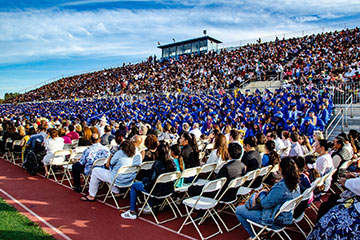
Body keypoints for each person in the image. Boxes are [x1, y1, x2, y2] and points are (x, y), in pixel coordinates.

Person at [235, 157, 300, 239]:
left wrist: (262, 193)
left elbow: (265, 204)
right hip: (285, 216)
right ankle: (261, 232)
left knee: (239, 210)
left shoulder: (281, 187)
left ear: (282, 169)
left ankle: (254, 235)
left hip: (273, 219)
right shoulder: (295, 183)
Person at [121, 142, 176, 219]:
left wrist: (144, 180)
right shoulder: (172, 163)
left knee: (134, 186)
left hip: (157, 190)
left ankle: (132, 211)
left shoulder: (157, 164)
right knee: (147, 183)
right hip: (169, 189)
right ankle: (149, 206)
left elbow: (150, 183)